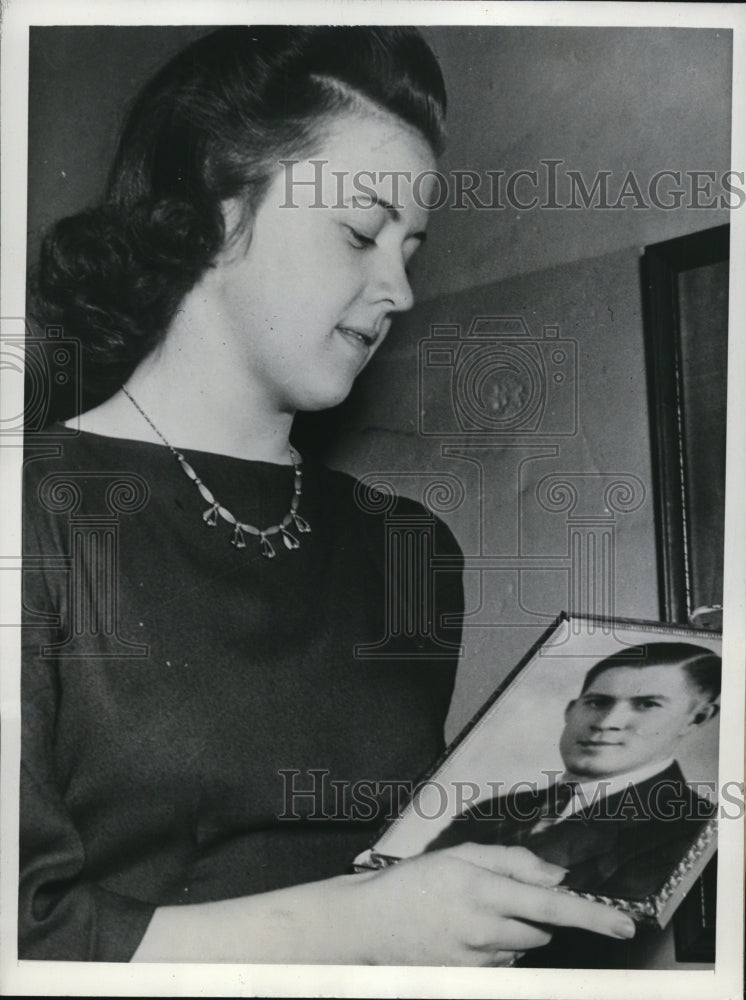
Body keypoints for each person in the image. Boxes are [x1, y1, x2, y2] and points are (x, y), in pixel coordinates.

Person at [20, 26, 637, 965]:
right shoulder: (31, 508)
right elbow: (20, 935)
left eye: (412, 250)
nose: (395, 288)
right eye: (360, 232)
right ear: (218, 209)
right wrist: (367, 929)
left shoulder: (409, 550)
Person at [426, 642, 720, 966]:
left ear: (697, 718)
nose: (608, 722)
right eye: (597, 702)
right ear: (570, 710)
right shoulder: (491, 811)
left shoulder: (695, 830)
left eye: (646, 704)